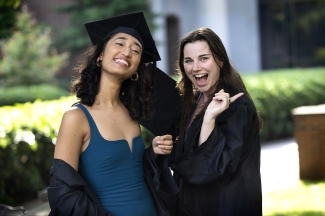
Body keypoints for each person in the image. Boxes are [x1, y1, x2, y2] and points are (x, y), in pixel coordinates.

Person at [47, 12, 179, 216]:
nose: (127, 52)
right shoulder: (77, 118)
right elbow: (63, 192)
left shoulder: (133, 114)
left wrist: (152, 153)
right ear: (100, 55)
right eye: (120, 43)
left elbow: (129, 169)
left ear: (136, 69)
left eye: (136, 50)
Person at [168, 27, 263, 215]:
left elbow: (210, 168)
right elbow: (184, 157)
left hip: (223, 207)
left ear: (219, 60)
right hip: (191, 206)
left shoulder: (236, 108)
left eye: (204, 58)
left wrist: (210, 118)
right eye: (188, 60)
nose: (195, 67)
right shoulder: (192, 102)